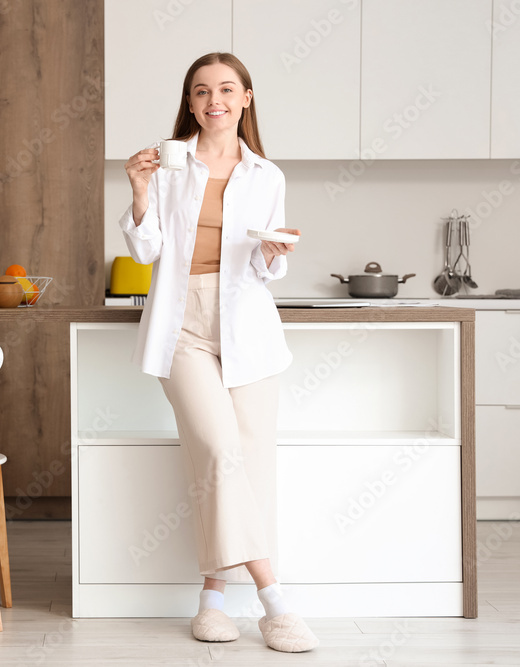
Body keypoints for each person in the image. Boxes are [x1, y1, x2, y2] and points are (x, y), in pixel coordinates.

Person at [119, 52, 318, 653]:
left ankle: (210, 599)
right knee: (221, 449)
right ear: (190, 102)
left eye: (227, 90)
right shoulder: (170, 166)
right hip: (181, 326)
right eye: (202, 91)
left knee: (244, 465)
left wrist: (276, 252)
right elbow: (147, 252)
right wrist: (138, 188)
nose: (215, 101)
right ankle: (275, 600)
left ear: (247, 98)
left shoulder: (267, 175)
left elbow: (263, 264)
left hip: (248, 329)